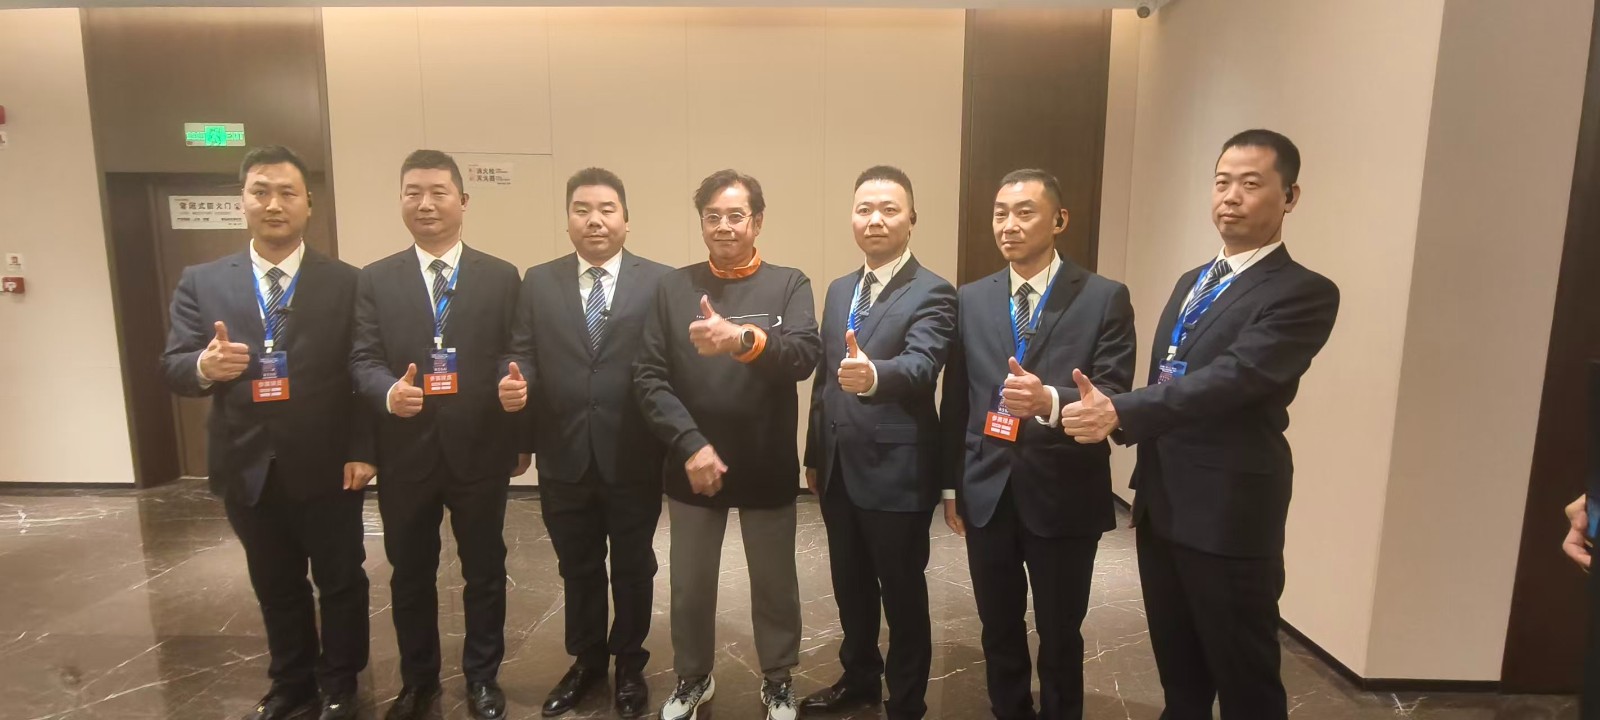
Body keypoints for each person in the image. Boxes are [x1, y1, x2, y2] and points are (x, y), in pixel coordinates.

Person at [1062, 129, 1340, 720]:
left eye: (1250, 183)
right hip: (1163, 501)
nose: (1230, 197)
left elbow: (1237, 377)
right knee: (1179, 670)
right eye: (1221, 182)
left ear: (1290, 197)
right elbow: (1173, 374)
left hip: (1229, 510)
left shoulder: (1304, 292)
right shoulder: (1193, 282)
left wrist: (1122, 411)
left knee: (1244, 676)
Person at [160, 145, 374, 720]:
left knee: (341, 579)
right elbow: (174, 365)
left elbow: (361, 370)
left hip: (329, 464)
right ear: (243, 201)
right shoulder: (202, 281)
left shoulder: (347, 282)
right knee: (275, 582)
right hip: (246, 463)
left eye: (286, 193)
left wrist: (364, 450)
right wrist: (205, 366)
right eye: (260, 192)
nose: (273, 204)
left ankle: (340, 682)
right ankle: (291, 682)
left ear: (308, 204)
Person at [940, 168, 1136, 719]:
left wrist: (1049, 400)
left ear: (1059, 220)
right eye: (1000, 213)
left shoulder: (1103, 297)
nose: (1009, 224)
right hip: (987, 489)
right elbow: (957, 400)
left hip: (1064, 491)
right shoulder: (972, 298)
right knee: (997, 624)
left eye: (1025, 212)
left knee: (1061, 630)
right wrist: (952, 485)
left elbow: (1116, 394)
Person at [634, 169, 821, 720]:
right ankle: (693, 676)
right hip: (693, 462)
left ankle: (778, 678)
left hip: (765, 459)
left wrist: (741, 338)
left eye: (735, 216)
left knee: (775, 583)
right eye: (712, 216)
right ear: (701, 223)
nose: (723, 226)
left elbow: (803, 356)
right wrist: (690, 445)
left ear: (757, 222)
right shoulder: (673, 288)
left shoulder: (789, 283)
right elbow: (649, 376)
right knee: (690, 585)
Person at [350, 149, 523, 720]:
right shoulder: (375, 279)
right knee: (410, 575)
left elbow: (515, 351)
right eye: (413, 193)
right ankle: (418, 681)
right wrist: (386, 392)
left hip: (480, 449)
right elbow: (362, 358)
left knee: (485, 570)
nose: (425, 204)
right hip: (406, 452)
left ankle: (482, 678)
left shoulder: (501, 276)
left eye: (438, 192)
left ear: (463, 201)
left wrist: (513, 390)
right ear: (401, 200)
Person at [497, 168, 672, 718]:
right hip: (564, 451)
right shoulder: (539, 281)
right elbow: (522, 350)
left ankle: (630, 664)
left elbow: (669, 363)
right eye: (582, 209)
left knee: (634, 566)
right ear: (568, 219)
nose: (594, 220)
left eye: (606, 209)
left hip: (633, 453)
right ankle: (587, 660)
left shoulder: (660, 282)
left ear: (626, 219)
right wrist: (516, 384)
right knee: (577, 565)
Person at [801, 165, 955, 720]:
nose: (875, 219)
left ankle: (907, 701)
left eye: (890, 209)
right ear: (852, 217)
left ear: (912, 219)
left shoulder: (933, 290)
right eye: (864, 208)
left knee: (903, 593)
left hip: (896, 469)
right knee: (850, 585)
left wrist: (874, 376)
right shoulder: (841, 288)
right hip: (838, 466)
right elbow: (824, 380)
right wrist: (814, 455)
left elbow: (922, 364)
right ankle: (860, 677)